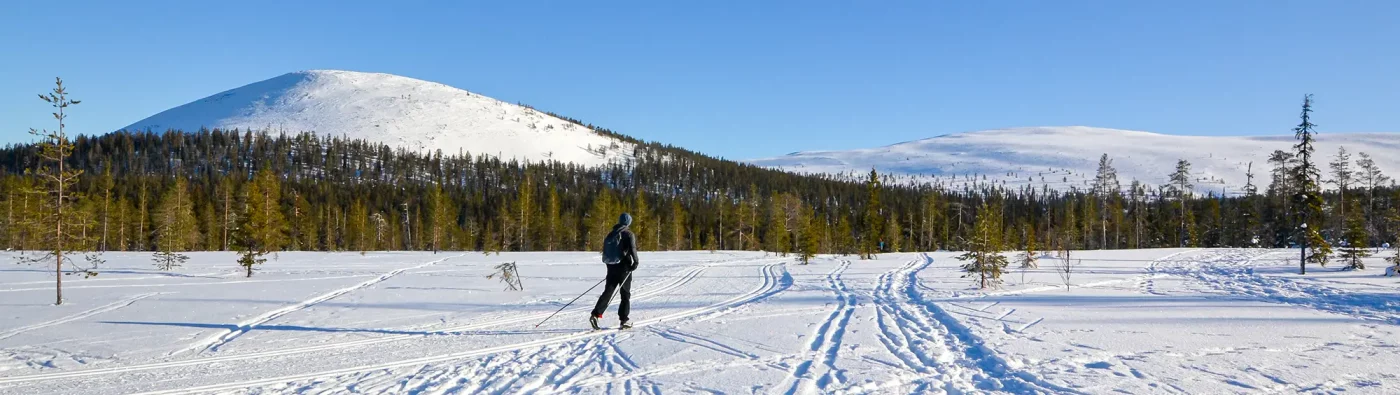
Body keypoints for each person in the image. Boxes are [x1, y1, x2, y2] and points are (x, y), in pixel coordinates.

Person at [591, 213, 639, 330]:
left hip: (611, 266)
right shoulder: (628, 234)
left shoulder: (611, 233)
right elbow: (632, 249)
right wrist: (635, 263)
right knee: (625, 294)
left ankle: (596, 314)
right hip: (624, 268)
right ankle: (624, 320)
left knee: (608, 291)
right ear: (628, 222)